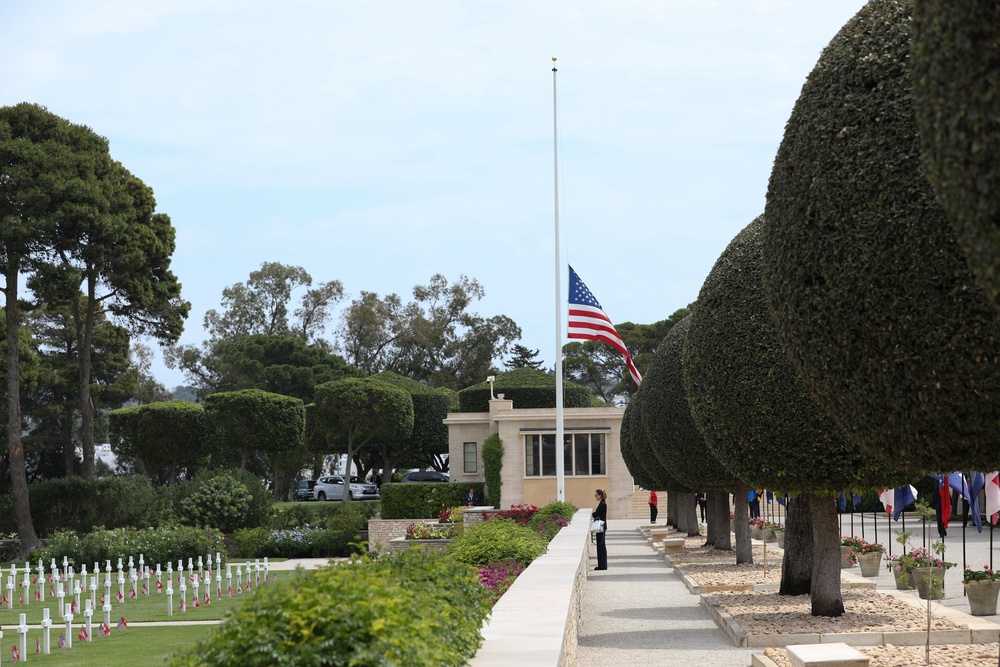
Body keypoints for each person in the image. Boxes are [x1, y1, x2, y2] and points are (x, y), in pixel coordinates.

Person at [592, 489, 608, 570]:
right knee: (600, 545)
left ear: (600, 495)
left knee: (601, 545)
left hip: (601, 526)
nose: (595, 497)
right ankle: (601, 564)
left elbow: (595, 514)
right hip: (601, 527)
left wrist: (593, 514)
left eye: (596, 495)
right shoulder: (602, 504)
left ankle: (602, 565)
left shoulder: (602, 504)